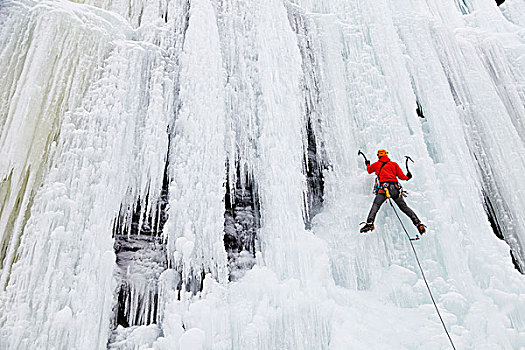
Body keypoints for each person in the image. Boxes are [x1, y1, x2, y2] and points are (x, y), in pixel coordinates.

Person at [360, 149, 426, 234]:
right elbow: (402, 177)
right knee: (404, 207)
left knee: (376, 205)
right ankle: (418, 223)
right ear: (386, 155)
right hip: (395, 189)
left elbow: (369, 171)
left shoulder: (376, 165)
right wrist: (408, 177)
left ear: (379, 156)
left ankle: (370, 223)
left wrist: (367, 163)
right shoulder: (394, 164)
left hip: (384, 189)